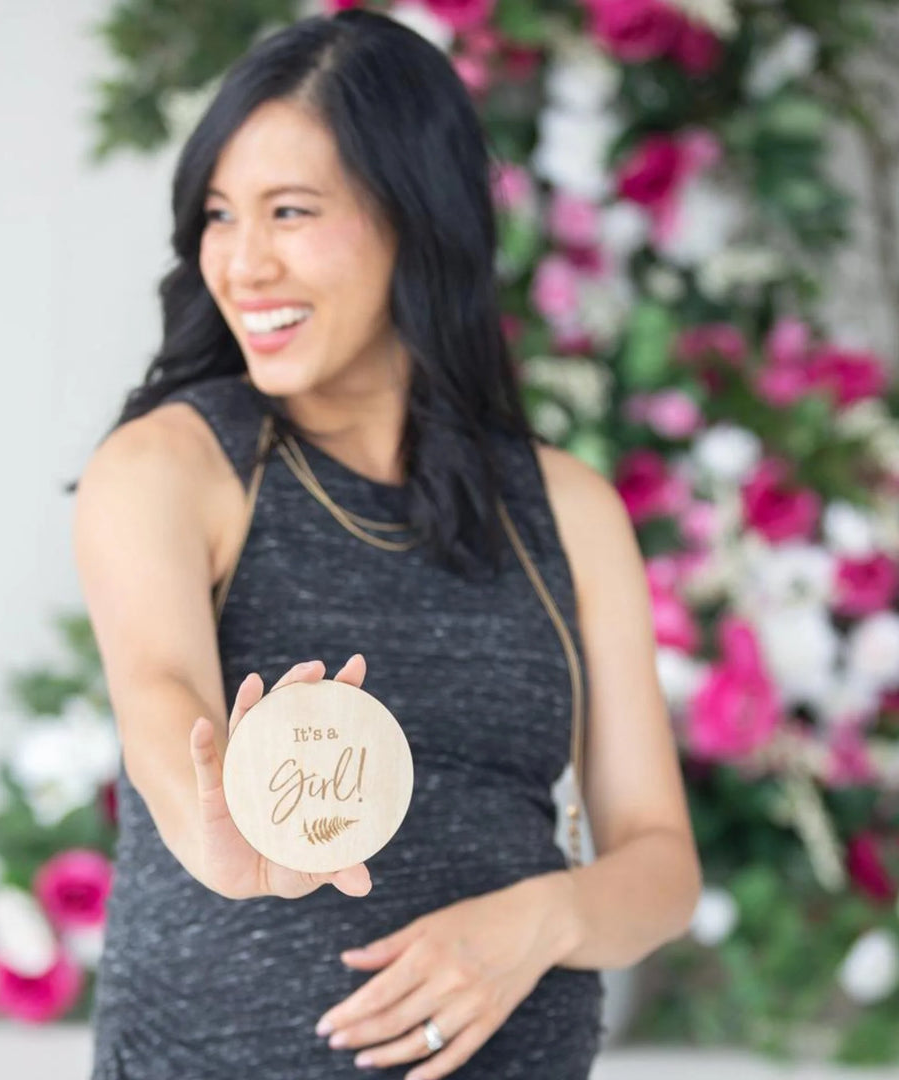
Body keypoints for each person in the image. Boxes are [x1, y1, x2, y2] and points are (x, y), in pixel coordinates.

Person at [72, 8, 702, 1079]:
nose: (242, 263)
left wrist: (533, 923)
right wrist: (223, 836)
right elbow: (162, 704)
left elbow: (660, 866)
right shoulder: (171, 469)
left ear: (416, 217)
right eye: (221, 215)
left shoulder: (568, 508)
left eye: (291, 211)